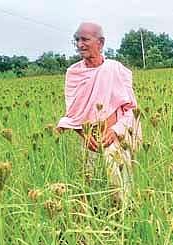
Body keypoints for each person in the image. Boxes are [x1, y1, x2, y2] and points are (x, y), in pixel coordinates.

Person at [56, 22, 142, 204]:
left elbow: (130, 108)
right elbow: (73, 113)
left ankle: (125, 215)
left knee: (120, 185)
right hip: (89, 139)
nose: (80, 44)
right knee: (89, 184)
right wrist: (85, 136)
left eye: (85, 39)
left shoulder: (115, 69)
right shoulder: (73, 73)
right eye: (77, 40)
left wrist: (116, 130)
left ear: (100, 43)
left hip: (115, 137)